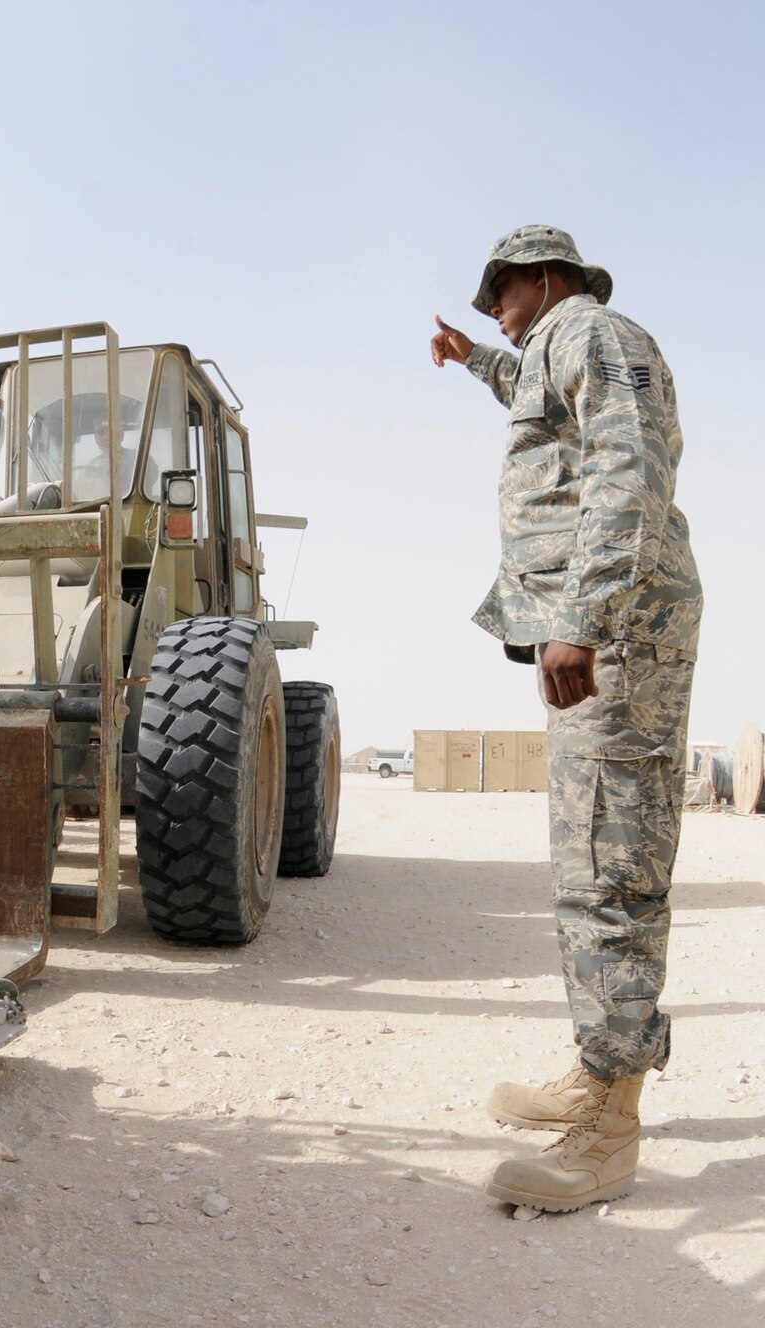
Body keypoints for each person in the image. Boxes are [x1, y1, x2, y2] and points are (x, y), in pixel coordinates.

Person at [430, 225, 702, 1212]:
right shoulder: (552, 347)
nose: (486, 310)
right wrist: (473, 364)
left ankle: (606, 1131)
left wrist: (582, 617)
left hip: (617, 629)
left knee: (609, 869)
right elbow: (528, 392)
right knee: (592, 859)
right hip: (605, 628)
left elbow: (628, 474)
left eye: (494, 296)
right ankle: (597, 1073)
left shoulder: (592, 333)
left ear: (539, 279)